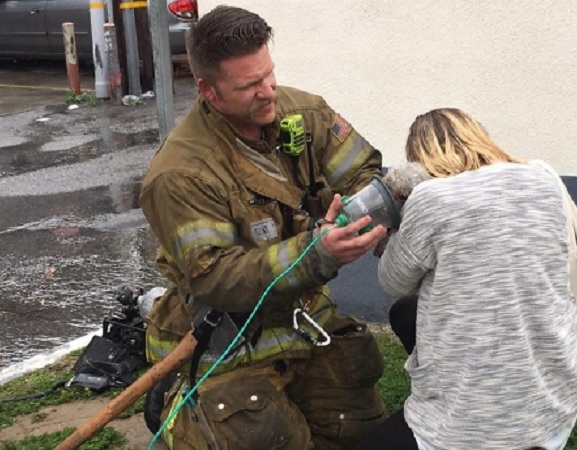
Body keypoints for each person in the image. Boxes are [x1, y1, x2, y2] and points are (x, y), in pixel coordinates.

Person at [138, 6, 389, 450]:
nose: (268, 91)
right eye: (249, 85)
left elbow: (365, 171)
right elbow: (215, 277)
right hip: (225, 344)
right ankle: (184, 415)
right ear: (208, 91)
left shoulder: (304, 112)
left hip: (308, 319)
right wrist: (318, 253)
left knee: (363, 434)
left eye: (269, 74)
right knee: (258, 432)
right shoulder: (180, 174)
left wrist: (366, 205)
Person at [360, 108, 577, 450]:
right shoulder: (543, 179)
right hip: (557, 397)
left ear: (419, 160)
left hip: (473, 429)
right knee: (406, 313)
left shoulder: (431, 198)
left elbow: (392, 282)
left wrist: (397, 224)